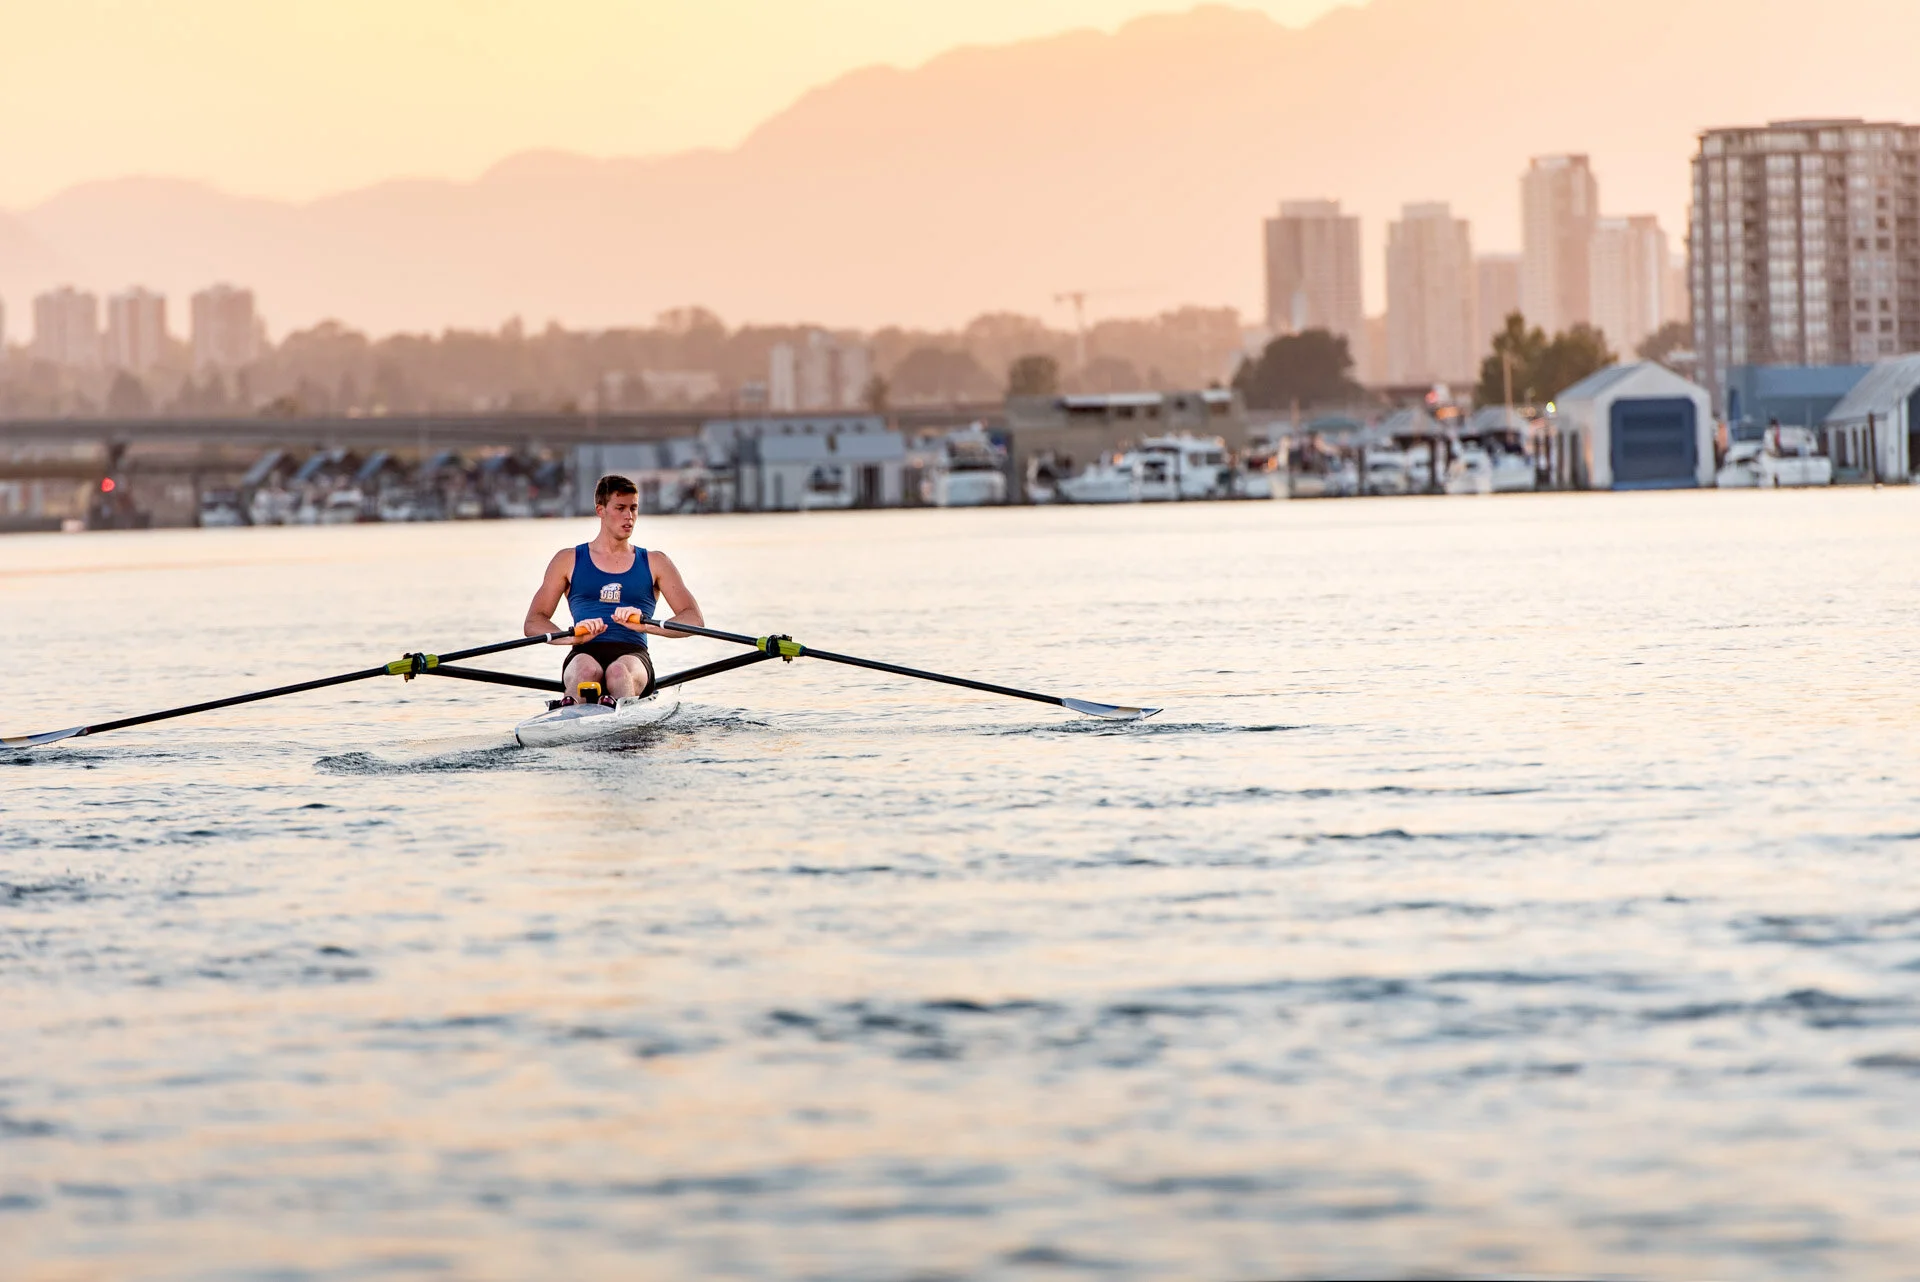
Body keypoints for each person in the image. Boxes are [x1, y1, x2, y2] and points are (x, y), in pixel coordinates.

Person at [524, 474, 704, 705]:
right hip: (583, 652)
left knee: (618, 673)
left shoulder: (656, 562)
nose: (629, 516)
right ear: (601, 510)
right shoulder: (567, 560)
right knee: (585, 672)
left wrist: (645, 624)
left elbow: (694, 619)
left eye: (634, 508)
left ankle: (615, 714)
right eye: (620, 508)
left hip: (633, 656)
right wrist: (572, 636)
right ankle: (574, 712)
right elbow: (533, 622)